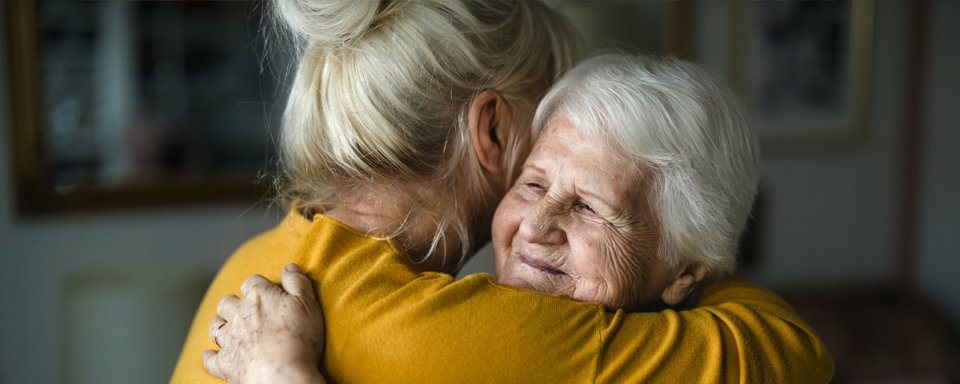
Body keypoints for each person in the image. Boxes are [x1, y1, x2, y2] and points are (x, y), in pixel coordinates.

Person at [196, 53, 834, 384]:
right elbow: (795, 352)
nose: (538, 224)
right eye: (532, 183)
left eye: (590, 208)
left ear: (685, 273)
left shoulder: (261, 260)